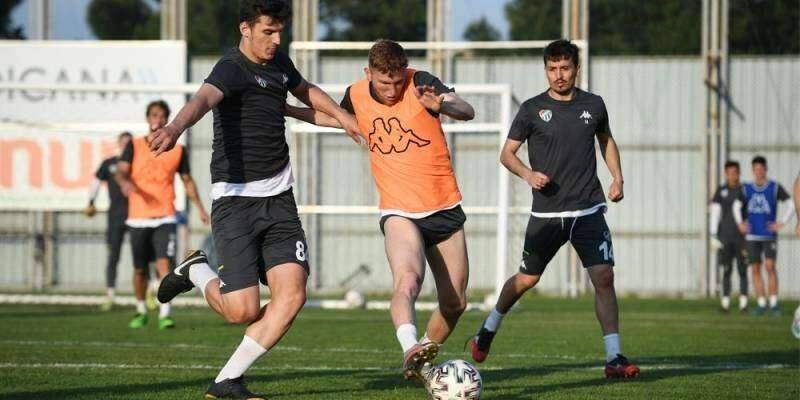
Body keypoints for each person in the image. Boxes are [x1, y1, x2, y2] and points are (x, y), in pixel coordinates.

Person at [151, 1, 361, 398]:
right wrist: (176, 127)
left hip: (279, 200)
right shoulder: (230, 68)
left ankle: (226, 380)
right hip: (235, 203)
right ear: (245, 29)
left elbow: (306, 91)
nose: (276, 39)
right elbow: (202, 101)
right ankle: (196, 271)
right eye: (268, 31)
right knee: (242, 311)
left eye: (279, 31)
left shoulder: (279, 61)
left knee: (292, 296)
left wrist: (345, 117)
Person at [289, 39, 475, 383]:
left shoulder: (421, 82)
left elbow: (465, 109)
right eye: (383, 82)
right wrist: (288, 110)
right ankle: (409, 346)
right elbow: (336, 119)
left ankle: (421, 357)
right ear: (368, 73)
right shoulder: (356, 94)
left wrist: (444, 105)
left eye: (397, 81)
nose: (392, 90)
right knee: (408, 279)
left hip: (444, 207)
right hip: (399, 211)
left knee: (455, 303)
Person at [466, 39, 639, 379]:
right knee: (527, 279)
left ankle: (614, 357)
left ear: (577, 69)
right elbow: (507, 154)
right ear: (546, 70)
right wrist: (528, 174)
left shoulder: (594, 104)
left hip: (588, 210)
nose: (559, 75)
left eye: (565, 68)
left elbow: (605, 140)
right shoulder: (532, 109)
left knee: (604, 278)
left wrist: (617, 177)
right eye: (552, 69)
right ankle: (487, 329)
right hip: (547, 214)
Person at [116, 100, 210, 330]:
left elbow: (187, 180)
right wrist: (125, 183)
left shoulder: (177, 149)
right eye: (153, 115)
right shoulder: (134, 146)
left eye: (161, 115)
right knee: (139, 268)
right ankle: (141, 310)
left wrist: (200, 208)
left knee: (164, 263)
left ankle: (165, 313)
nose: (157, 119)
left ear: (167, 119)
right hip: (138, 216)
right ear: (148, 119)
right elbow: (121, 171)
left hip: (165, 215)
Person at [735, 156, 794, 316]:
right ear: (752, 170)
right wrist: (740, 223)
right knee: (755, 268)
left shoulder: (774, 187)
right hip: (752, 235)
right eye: (756, 169)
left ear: (766, 169)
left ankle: (774, 303)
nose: (759, 172)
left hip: (769, 235)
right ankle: (761, 303)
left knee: (770, 266)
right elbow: (736, 206)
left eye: (761, 168)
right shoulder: (747, 188)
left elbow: (791, 204)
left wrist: (782, 222)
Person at [86, 131, 132, 311]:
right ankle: (110, 295)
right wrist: (91, 201)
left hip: (137, 215)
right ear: (119, 144)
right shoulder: (109, 163)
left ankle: (150, 294)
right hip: (115, 217)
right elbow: (96, 182)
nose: (126, 146)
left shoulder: (137, 162)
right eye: (124, 143)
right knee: (113, 256)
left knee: (144, 257)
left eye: (130, 143)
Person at [709, 161, 748, 312]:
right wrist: (713, 235)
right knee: (726, 269)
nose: (733, 176)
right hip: (725, 236)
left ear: (739, 173)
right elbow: (715, 213)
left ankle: (743, 304)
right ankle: (725, 303)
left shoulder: (744, 190)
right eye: (730, 173)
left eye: (735, 173)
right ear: (726, 174)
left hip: (742, 238)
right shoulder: (721, 190)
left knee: (742, 269)